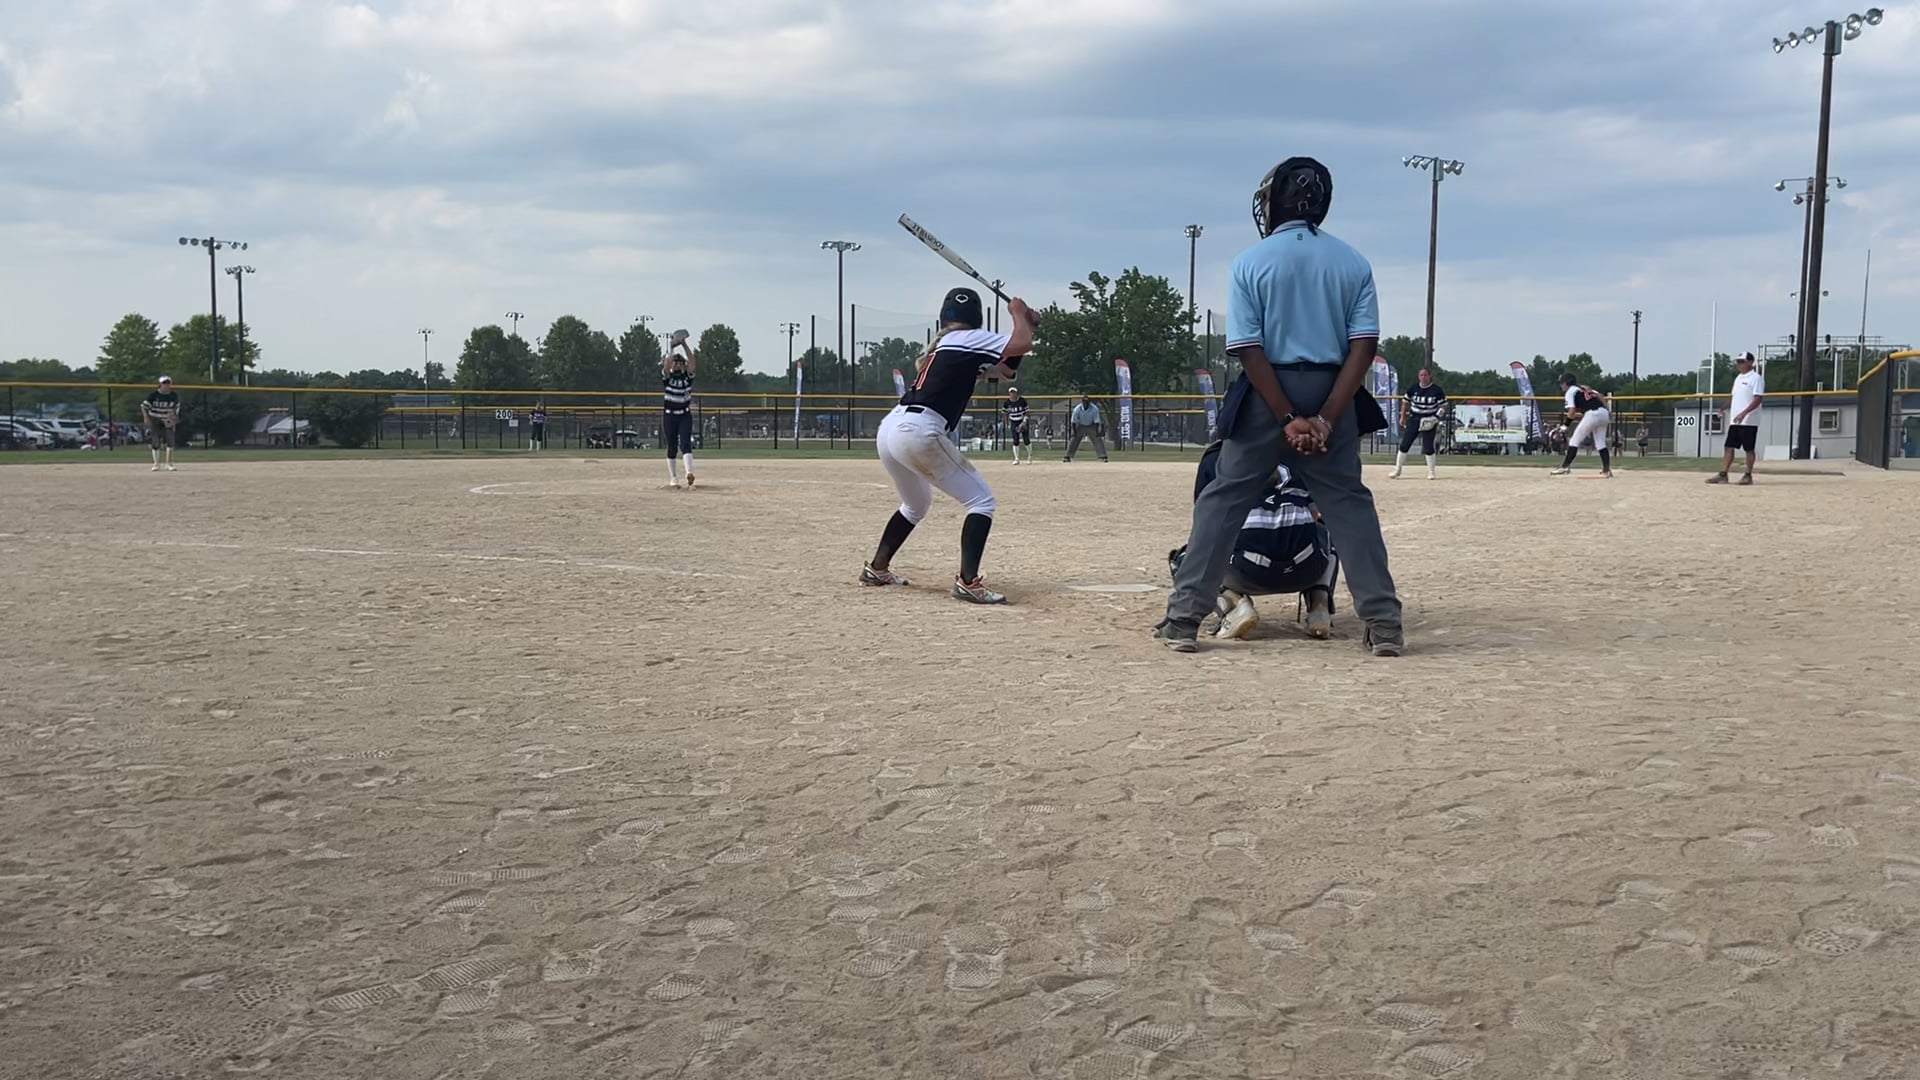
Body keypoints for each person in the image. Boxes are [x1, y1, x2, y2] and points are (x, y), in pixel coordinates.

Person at [1155, 156, 1402, 656]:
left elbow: (1248, 349)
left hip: (1267, 390)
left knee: (1224, 500)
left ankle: (1183, 620)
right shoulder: (1353, 262)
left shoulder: (1251, 261)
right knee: (1349, 505)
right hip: (1335, 386)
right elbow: (1364, 346)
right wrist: (1327, 416)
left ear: (1274, 202)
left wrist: (1287, 417)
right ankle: (1385, 626)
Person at [861, 288, 1035, 604]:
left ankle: (878, 568)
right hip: (918, 430)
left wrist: (1027, 324)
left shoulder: (949, 344)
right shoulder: (970, 338)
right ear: (976, 317)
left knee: (915, 505)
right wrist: (1018, 313)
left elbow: (1007, 369)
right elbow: (1020, 343)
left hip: (891, 430)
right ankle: (968, 582)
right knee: (981, 501)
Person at [1167, 441, 1339, 641]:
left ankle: (1233, 604)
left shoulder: (1216, 457)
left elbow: (1206, 522)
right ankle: (1319, 605)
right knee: (1328, 531)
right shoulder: (1301, 453)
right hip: (1305, 570)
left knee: (1185, 557)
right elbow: (1316, 513)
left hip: (1245, 572)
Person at [1707, 351, 1763, 485]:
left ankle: (1748, 475)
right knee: (1728, 446)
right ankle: (1723, 474)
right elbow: (1734, 397)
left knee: (1748, 448)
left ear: (1750, 362)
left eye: (1742, 361)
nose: (1739, 364)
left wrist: (1744, 413)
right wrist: (1722, 408)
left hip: (1749, 420)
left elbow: (1758, 399)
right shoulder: (1738, 378)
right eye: (1738, 362)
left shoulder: (1756, 378)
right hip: (1735, 420)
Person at [1549, 373, 1612, 478]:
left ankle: (1564, 467)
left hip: (1592, 414)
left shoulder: (1570, 391)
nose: (1561, 385)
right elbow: (1600, 396)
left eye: (1562, 383)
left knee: (1574, 441)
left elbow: (1572, 411)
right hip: (1604, 413)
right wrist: (1608, 411)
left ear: (1567, 383)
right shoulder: (1584, 388)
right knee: (1600, 443)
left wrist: (1565, 425)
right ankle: (1606, 470)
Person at [1392, 367, 1448, 480]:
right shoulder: (1414, 388)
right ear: (1418, 377)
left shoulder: (1436, 390)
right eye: (1421, 375)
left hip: (1429, 419)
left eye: (1425, 375)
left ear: (1430, 376)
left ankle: (1431, 471)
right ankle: (1397, 469)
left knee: (1428, 446)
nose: (1423, 377)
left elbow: (1443, 405)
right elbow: (1405, 402)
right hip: (1414, 418)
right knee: (1405, 444)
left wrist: (1436, 417)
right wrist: (1402, 417)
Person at [662, 331, 696, 488]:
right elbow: (666, 365)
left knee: (686, 443)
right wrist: (671, 348)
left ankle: (689, 473)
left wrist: (684, 344)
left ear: (683, 365)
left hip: (684, 415)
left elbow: (692, 362)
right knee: (672, 446)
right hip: (669, 415)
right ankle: (673, 478)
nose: (676, 364)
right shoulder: (668, 378)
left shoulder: (687, 378)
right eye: (674, 362)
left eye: (679, 362)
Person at [141, 375, 180, 472]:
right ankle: (156, 464)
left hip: (167, 419)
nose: (166, 385)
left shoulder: (173, 395)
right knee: (155, 441)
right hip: (155, 418)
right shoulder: (154, 395)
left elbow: (176, 407)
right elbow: (144, 406)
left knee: (170, 441)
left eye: (168, 383)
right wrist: (146, 417)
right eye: (164, 383)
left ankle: (168, 463)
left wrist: (173, 417)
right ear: (160, 384)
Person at [1064, 395, 1108, 462]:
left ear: (1089, 402)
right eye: (1084, 402)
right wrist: (1074, 432)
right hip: (1080, 425)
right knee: (1074, 439)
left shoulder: (1094, 409)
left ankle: (1102, 456)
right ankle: (1068, 456)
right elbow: (1073, 422)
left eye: (1087, 402)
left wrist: (1097, 432)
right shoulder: (1077, 409)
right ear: (1082, 402)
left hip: (1091, 425)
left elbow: (1096, 422)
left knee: (1097, 438)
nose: (1085, 404)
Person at [1002, 386, 1033, 464]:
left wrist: (1025, 421)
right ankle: (1016, 458)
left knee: (1026, 440)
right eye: (1011, 393)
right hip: (1013, 422)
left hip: (1022, 420)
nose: (1012, 394)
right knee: (1015, 440)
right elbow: (1005, 413)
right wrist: (1007, 423)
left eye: (1014, 392)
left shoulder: (1022, 401)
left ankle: (1029, 457)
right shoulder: (1007, 403)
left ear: (1016, 393)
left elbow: (1027, 411)